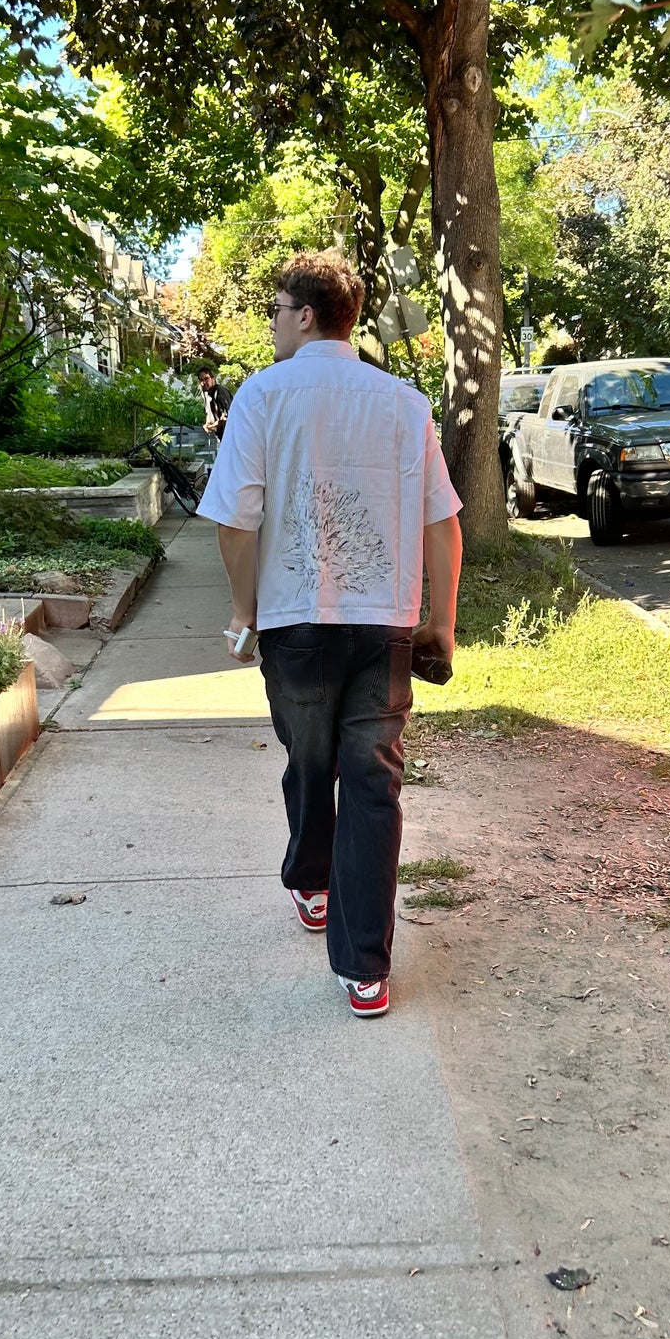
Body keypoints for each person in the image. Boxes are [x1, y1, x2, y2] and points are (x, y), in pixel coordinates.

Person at [196, 250, 463, 1019]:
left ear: (305, 314)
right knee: (372, 781)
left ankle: (313, 883)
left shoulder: (262, 396)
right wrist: (438, 623)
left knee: (310, 762)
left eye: (276, 309)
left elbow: (236, 520)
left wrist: (244, 613)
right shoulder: (403, 402)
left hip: (294, 622)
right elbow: (441, 521)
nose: (272, 323)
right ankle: (364, 967)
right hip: (384, 625)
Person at [197, 366, 233, 441]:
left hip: (231, 436)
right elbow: (209, 413)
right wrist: (207, 423)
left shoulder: (220, 392)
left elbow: (227, 417)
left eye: (206, 379)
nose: (203, 382)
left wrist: (211, 426)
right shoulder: (208, 394)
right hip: (222, 436)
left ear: (213, 378)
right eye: (201, 380)